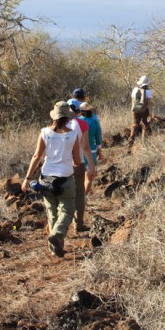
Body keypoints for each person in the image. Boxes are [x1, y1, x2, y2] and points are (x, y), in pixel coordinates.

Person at [21, 101, 82, 257]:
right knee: (67, 210)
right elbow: (76, 161)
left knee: (52, 212)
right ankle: (58, 234)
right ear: (68, 118)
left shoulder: (44, 132)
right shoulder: (73, 134)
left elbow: (36, 156)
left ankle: (55, 247)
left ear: (54, 117)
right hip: (65, 179)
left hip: (46, 178)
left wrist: (27, 178)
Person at [67, 98, 96, 232]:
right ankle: (78, 224)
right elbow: (85, 147)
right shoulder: (82, 124)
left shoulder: (56, 124)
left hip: (61, 165)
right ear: (79, 110)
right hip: (77, 164)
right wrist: (91, 166)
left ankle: (60, 224)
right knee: (79, 194)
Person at [79, 101, 102, 194]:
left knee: (78, 177)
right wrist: (99, 151)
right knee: (89, 177)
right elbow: (98, 136)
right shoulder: (95, 120)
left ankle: (77, 198)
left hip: (78, 151)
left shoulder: (77, 121)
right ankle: (83, 196)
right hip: (91, 150)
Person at [128, 75, 153, 147]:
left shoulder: (135, 89)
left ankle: (131, 141)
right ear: (147, 83)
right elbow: (149, 103)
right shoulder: (148, 91)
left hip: (134, 110)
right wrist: (150, 113)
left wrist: (134, 108)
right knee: (145, 125)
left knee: (134, 125)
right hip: (145, 110)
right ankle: (143, 143)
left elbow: (132, 100)